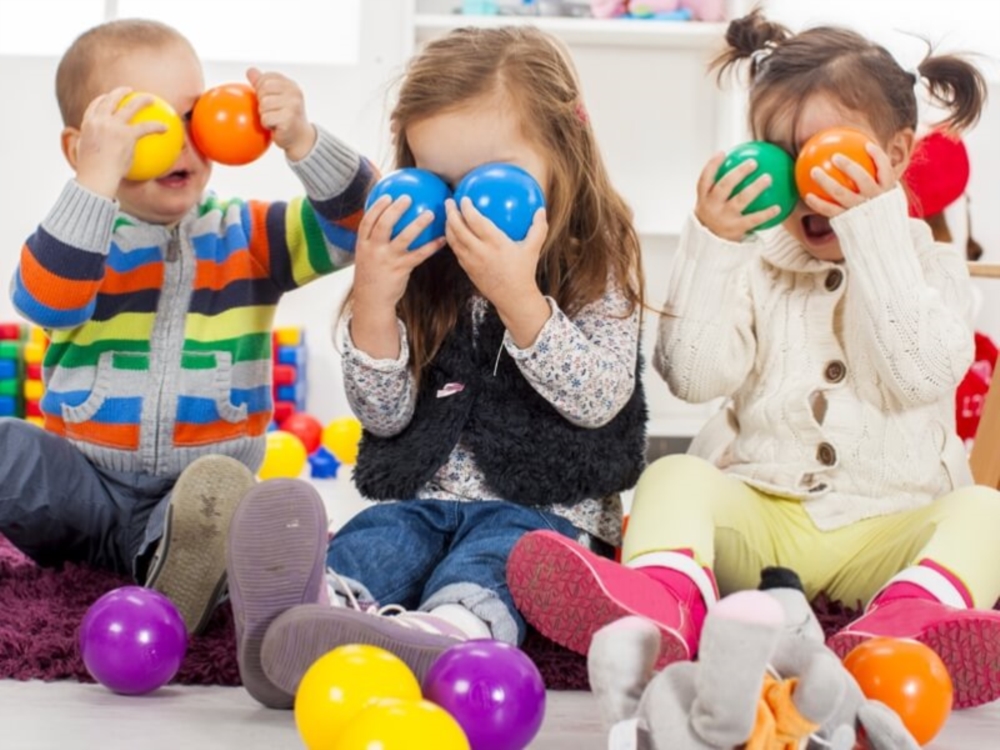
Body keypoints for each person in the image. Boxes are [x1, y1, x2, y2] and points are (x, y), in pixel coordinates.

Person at [507, 9, 1000, 710]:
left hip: (890, 528)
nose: (807, 181)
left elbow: (915, 374)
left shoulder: (933, 268)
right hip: (763, 516)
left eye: (832, 153)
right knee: (675, 473)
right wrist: (714, 244)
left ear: (896, 155)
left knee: (987, 512)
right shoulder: (754, 261)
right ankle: (668, 601)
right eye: (781, 153)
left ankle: (908, 623)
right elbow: (693, 374)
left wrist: (873, 230)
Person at [225, 25, 648, 709]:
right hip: (424, 500)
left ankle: (447, 632)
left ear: (563, 149)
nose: (458, 208)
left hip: (542, 508)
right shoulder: (423, 264)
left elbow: (600, 400)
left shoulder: (598, 260)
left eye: (490, 181)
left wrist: (520, 299)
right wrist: (374, 301)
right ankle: (308, 615)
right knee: (378, 538)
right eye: (437, 181)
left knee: (500, 560)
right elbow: (385, 417)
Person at [1, 19, 373, 637]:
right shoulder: (81, 241)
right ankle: (162, 562)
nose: (180, 142)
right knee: (9, 444)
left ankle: (178, 574)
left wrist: (305, 141)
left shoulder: (247, 237)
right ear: (82, 148)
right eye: (148, 126)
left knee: (221, 495)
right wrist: (92, 184)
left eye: (192, 115)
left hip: (186, 500)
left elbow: (356, 227)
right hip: (81, 491)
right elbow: (44, 303)